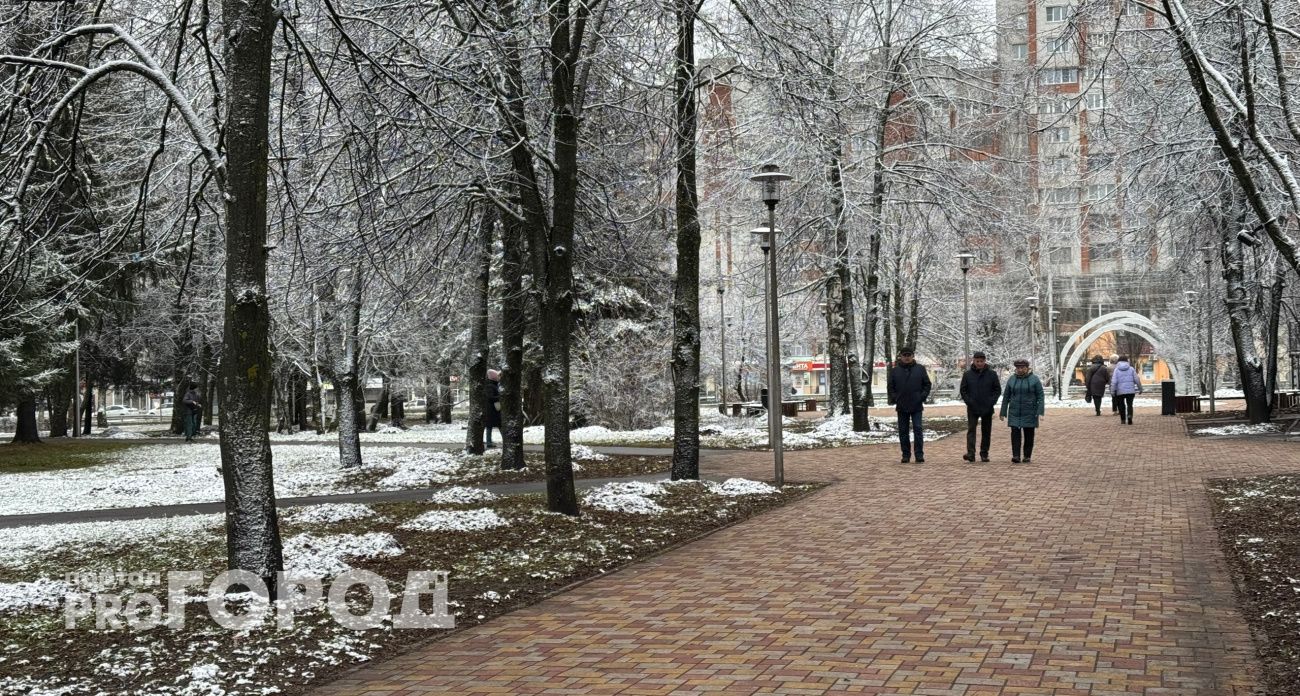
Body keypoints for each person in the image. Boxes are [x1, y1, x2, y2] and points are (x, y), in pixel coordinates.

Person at [887, 346, 931, 463]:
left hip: (916, 405)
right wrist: (896, 398)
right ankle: (905, 455)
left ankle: (919, 454)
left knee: (918, 429)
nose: (907, 357)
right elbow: (890, 387)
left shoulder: (920, 369)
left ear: (913, 356)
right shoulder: (895, 371)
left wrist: (922, 397)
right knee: (903, 431)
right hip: (902, 405)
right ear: (900, 357)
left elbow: (927, 384)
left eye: (909, 355)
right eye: (904, 355)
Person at [959, 351, 1001, 463]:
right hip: (972, 407)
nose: (979, 363)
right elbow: (963, 390)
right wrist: (969, 401)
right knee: (971, 430)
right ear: (973, 361)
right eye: (977, 361)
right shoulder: (967, 374)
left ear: (984, 361)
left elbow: (997, 390)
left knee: (986, 431)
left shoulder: (992, 374)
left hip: (987, 407)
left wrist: (991, 402)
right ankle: (971, 453)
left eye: (981, 361)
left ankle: (984, 453)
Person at [999, 359, 1045, 463]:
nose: (1020, 370)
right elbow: (1006, 396)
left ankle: (1027, 456)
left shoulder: (1034, 379)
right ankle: (1016, 456)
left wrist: (1040, 411)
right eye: (1018, 368)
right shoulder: (1011, 379)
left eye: (1022, 368)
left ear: (1027, 368)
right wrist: (1003, 412)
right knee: (1015, 434)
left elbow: (1040, 396)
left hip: (1030, 411)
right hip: (1014, 412)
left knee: (1029, 434)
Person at [1110, 355, 1142, 425]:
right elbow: (1137, 379)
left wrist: (1112, 391)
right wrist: (1140, 388)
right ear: (1127, 361)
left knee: (1121, 405)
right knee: (1129, 404)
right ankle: (1129, 415)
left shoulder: (1116, 370)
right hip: (1130, 391)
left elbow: (1114, 381)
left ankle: (1123, 420)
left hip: (1120, 391)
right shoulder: (1131, 369)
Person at [484, 369, 502, 447]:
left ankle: (489, 442)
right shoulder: (490, 386)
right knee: (497, 426)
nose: (498, 378)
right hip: (492, 410)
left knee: (490, 427)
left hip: (492, 410)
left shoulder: (492, 385)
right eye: (497, 376)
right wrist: (500, 397)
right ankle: (489, 443)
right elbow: (490, 398)